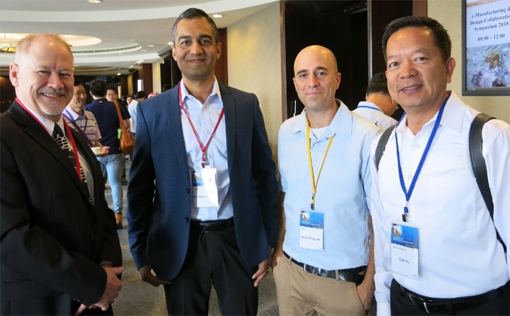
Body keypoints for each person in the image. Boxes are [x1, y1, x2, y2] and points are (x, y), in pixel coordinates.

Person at [127, 8, 278, 316]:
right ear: (174, 51)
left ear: (218, 48)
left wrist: (268, 240)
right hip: (179, 241)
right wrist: (139, 250)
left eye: (205, 40)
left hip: (237, 238)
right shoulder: (152, 112)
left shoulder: (245, 104)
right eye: (185, 42)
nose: (196, 49)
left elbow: (264, 177)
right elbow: (139, 189)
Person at [371, 16, 510, 315]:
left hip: (476, 308)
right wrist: (384, 304)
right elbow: (383, 237)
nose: (406, 72)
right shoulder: (381, 145)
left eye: (420, 58)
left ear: (448, 68)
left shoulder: (490, 138)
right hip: (403, 303)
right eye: (395, 64)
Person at [0, 33, 123, 315]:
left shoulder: (71, 134)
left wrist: (106, 267)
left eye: (65, 73)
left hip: (94, 296)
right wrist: (91, 284)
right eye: (43, 72)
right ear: (15, 74)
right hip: (39, 302)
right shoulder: (4, 137)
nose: (56, 83)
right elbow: (10, 235)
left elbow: (98, 206)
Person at [272, 45, 380, 316]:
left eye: (321, 73)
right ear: (295, 83)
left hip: (343, 283)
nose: (312, 82)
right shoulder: (287, 131)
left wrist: (369, 286)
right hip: (292, 275)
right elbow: (285, 197)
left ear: (337, 79)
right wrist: (279, 256)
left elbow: (379, 216)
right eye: (303, 75)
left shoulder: (368, 136)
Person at [85, 80, 130, 229]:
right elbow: (127, 124)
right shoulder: (116, 106)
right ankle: (118, 214)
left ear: (91, 93)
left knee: (96, 184)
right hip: (114, 150)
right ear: (106, 92)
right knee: (115, 182)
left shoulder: (87, 109)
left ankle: (99, 214)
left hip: (95, 152)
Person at [63, 80, 108, 156]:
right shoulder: (61, 118)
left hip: (90, 163)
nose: (83, 96)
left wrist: (102, 151)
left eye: (84, 92)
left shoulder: (90, 115)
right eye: (78, 93)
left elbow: (95, 141)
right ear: (68, 95)